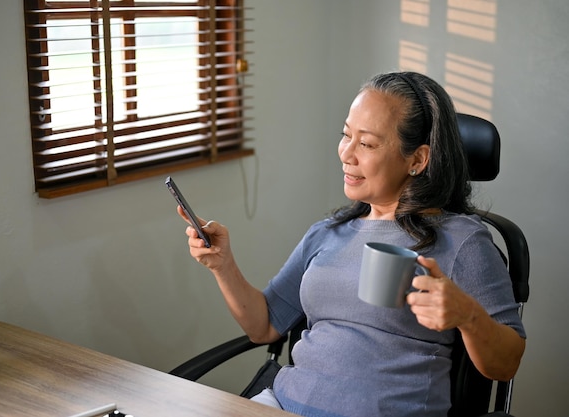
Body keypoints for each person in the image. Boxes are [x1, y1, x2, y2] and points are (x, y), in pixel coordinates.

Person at [176, 71, 526, 417]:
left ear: (417, 159)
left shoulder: (462, 241)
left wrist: (467, 316)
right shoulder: (328, 231)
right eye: (346, 135)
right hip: (282, 405)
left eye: (367, 143)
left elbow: (506, 364)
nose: (347, 153)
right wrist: (223, 266)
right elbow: (264, 326)